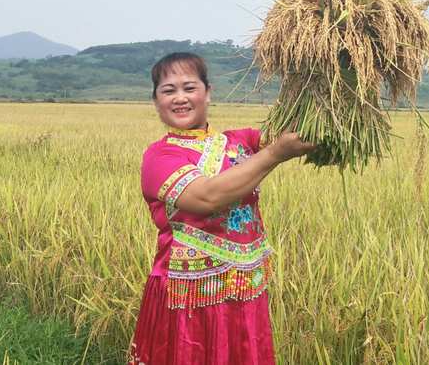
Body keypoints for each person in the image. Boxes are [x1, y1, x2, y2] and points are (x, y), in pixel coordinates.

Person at [129, 52, 314, 365]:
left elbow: (298, 129)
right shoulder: (159, 157)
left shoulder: (240, 141)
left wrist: (313, 75)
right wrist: (274, 155)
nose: (180, 98)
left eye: (189, 87)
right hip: (188, 297)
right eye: (168, 90)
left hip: (245, 289)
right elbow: (206, 198)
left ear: (208, 92)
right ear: (155, 101)